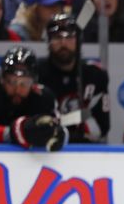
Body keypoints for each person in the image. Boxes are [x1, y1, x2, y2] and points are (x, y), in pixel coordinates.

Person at [37, 13, 110, 143]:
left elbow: (103, 126)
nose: (63, 43)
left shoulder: (95, 75)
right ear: (48, 42)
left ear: (79, 41)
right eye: (57, 37)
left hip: (85, 149)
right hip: (44, 149)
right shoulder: (37, 74)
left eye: (69, 36)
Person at [0, 46, 66, 151]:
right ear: (2, 79)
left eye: (24, 83)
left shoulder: (44, 98)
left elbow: (62, 130)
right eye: (11, 82)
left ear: (34, 83)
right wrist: (13, 133)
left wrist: (59, 135)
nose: (17, 89)